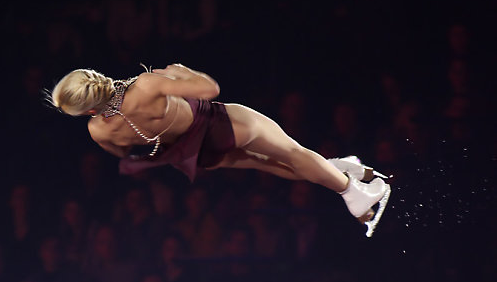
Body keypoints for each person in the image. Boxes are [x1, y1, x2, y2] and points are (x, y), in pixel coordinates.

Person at [51, 65, 391, 235]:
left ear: (89, 109)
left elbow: (123, 155)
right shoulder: (147, 84)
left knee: (271, 165)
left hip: (196, 152)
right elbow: (209, 88)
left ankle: (341, 170)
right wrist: (179, 72)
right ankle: (352, 192)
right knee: (293, 153)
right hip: (218, 124)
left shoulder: (97, 130)